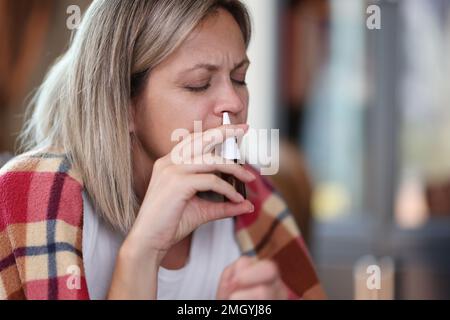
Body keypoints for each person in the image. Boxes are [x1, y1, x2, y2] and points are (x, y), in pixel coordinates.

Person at [0, 0, 325, 300]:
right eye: (198, 83)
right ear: (123, 104)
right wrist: (140, 254)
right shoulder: (35, 192)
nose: (235, 103)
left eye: (239, 78)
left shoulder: (255, 194)